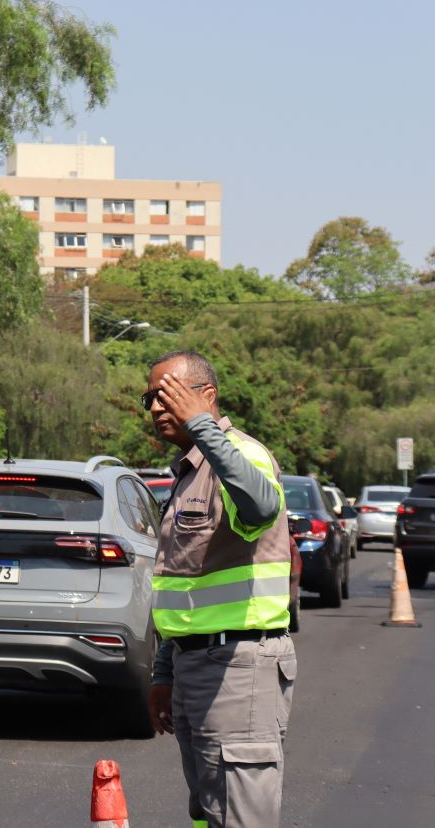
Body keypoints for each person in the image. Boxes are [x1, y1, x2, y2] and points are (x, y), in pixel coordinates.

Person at [143, 350, 296, 828]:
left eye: (167, 395)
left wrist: (204, 428)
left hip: (238, 667)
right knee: (207, 811)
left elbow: (260, 507)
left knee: (239, 816)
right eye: (149, 397)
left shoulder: (240, 454)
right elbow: (187, 588)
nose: (154, 408)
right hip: (195, 665)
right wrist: (164, 671)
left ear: (205, 396)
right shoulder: (189, 471)